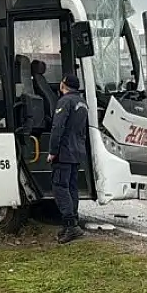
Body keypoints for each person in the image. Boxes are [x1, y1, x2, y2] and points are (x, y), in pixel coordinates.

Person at [47, 74, 89, 244]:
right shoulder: (82, 102)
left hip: (64, 152)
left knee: (60, 187)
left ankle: (71, 226)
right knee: (72, 187)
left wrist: (52, 151)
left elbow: (58, 127)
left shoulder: (65, 102)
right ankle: (72, 223)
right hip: (77, 151)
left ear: (64, 85)